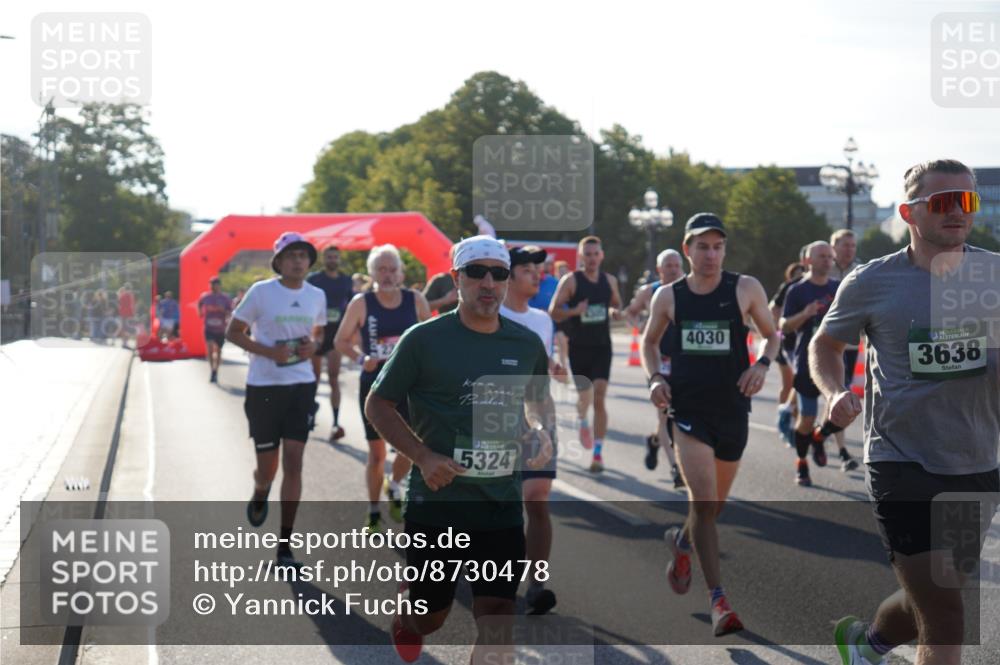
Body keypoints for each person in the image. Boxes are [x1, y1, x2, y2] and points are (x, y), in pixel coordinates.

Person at [812, 160, 999, 665]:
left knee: (939, 593)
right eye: (943, 202)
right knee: (946, 614)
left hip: (976, 459)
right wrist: (833, 393)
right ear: (908, 213)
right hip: (901, 461)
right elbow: (826, 345)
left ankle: (867, 642)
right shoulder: (872, 282)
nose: (958, 212)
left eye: (968, 201)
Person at [364, 235, 552, 664]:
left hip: (500, 504)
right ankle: (409, 612)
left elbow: (537, 403)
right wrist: (423, 457)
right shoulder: (423, 339)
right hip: (438, 505)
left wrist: (538, 431)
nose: (488, 282)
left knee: (499, 614)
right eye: (476, 272)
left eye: (498, 273)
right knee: (431, 618)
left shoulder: (525, 344)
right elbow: (378, 403)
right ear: (457, 278)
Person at [641, 213, 779, 637]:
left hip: (733, 409)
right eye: (702, 246)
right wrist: (655, 379)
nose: (711, 254)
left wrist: (762, 366)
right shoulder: (669, 296)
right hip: (689, 410)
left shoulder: (745, 288)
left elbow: (772, 336)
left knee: (714, 508)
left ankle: (681, 544)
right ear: (688, 250)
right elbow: (648, 343)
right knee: (704, 505)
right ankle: (719, 599)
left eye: (718, 246)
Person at [226, 232, 326, 567]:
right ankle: (260, 489)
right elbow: (233, 332)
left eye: (303, 255)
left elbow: (319, 332)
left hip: (301, 386)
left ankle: (285, 543)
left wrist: (313, 346)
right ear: (279, 262)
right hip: (264, 387)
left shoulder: (317, 295)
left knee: (294, 461)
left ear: (309, 261)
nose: (298, 261)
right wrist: (269, 352)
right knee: (267, 468)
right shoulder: (261, 292)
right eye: (291, 255)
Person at [335, 244, 431, 532]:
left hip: (411, 387)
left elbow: (431, 338)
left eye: (392, 269)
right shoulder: (362, 303)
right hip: (376, 388)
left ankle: (396, 483)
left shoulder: (415, 300)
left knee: (411, 448)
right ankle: (374, 510)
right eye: (381, 269)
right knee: (376, 455)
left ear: (401, 272)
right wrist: (362, 358)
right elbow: (341, 341)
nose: (387, 275)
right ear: (372, 273)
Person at [500, 245, 566, 616]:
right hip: (496, 421)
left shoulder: (542, 319)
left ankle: (536, 584)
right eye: (526, 268)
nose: (535, 273)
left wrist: (553, 366)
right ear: (507, 276)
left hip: (540, 414)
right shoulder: (491, 316)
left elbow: (539, 369)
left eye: (536, 267)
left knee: (537, 499)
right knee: (499, 506)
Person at [780, 241, 857, 487]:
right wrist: (805, 313)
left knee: (841, 411)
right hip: (806, 361)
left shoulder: (839, 288)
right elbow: (783, 326)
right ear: (808, 261)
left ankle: (819, 436)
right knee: (807, 415)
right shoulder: (797, 291)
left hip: (835, 360)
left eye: (829, 256)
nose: (827, 260)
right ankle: (801, 463)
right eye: (821, 256)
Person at [549, 236, 624, 473]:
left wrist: (614, 313)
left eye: (595, 254)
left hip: (603, 346)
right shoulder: (571, 281)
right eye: (587, 255)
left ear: (601, 256)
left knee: (599, 396)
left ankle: (598, 454)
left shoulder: (609, 280)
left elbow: (616, 305)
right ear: (581, 257)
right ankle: (582, 421)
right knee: (586, 398)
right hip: (580, 347)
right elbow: (553, 312)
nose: (591, 259)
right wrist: (574, 311)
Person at [625, 248, 685, 487]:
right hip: (658, 359)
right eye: (668, 266)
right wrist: (640, 329)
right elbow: (631, 313)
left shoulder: (689, 289)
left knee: (678, 416)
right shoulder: (649, 291)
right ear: (659, 269)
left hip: (683, 359)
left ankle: (654, 441)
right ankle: (676, 469)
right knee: (664, 414)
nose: (672, 269)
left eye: (676, 265)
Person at [307, 245, 354, 441]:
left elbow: (351, 305)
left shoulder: (346, 280)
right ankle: (309, 415)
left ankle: (335, 422)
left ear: (339, 259)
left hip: (336, 335)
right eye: (329, 257)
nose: (332, 260)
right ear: (324, 259)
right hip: (317, 333)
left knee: (334, 378)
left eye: (335, 257)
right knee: (314, 380)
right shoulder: (314, 279)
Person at [770, 262, 805, 445]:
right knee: (789, 383)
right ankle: (784, 416)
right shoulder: (787, 288)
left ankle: (793, 419)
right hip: (786, 342)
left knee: (797, 383)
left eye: (802, 273)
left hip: (802, 342)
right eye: (796, 274)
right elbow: (773, 309)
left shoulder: (808, 287)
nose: (800, 276)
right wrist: (778, 330)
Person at [830, 229, 863, 392]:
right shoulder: (824, 269)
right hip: (824, 338)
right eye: (845, 245)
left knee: (842, 387)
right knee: (812, 387)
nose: (849, 249)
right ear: (833, 247)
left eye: (853, 246)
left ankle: (828, 419)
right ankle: (791, 410)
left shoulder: (862, 271)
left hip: (850, 342)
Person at [198, 277, 233, 383]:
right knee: (209, 348)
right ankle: (211, 369)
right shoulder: (205, 296)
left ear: (219, 286)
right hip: (209, 327)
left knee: (218, 351)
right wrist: (200, 312)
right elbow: (200, 304)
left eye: (216, 285)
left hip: (220, 328)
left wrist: (223, 311)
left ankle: (215, 371)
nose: (214, 287)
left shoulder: (225, 298)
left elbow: (230, 312)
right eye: (212, 285)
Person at [422, 246, 459, 314]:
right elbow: (421, 307)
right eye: (458, 256)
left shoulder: (480, 277)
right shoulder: (441, 280)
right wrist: (445, 300)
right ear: (452, 259)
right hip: (448, 323)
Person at [552, 260, 571, 371]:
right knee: (561, 342)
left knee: (566, 346)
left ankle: (568, 366)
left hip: (569, 318)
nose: (562, 273)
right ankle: (563, 368)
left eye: (564, 271)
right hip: (558, 319)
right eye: (560, 271)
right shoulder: (553, 284)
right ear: (556, 273)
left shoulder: (571, 284)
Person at [117, 282, 136, 347]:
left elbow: (120, 304)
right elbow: (131, 306)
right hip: (129, 314)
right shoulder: (130, 295)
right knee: (128, 329)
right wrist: (133, 314)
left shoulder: (122, 295)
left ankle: (124, 342)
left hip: (122, 314)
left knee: (124, 328)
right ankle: (125, 342)